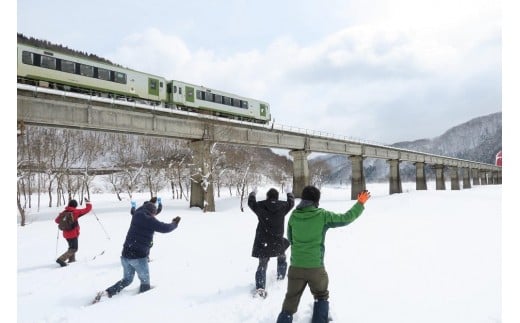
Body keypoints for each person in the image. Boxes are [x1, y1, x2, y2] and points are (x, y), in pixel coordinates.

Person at [276, 186, 371, 323]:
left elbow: (290, 239)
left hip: (296, 267)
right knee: (321, 296)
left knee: (290, 300)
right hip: (316, 268)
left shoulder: (294, 216)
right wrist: (360, 203)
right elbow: (345, 218)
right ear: (316, 200)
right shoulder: (322, 215)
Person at [93, 201, 180, 303]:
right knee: (145, 281)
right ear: (151, 213)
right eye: (154, 214)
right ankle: (143, 302)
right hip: (138, 257)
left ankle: (107, 293)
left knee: (127, 280)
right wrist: (174, 223)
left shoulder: (136, 215)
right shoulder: (148, 220)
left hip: (125, 255)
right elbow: (164, 228)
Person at [248, 187, 295, 298]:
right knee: (282, 256)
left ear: (267, 196)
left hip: (263, 241)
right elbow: (291, 203)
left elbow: (251, 203)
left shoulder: (260, 206)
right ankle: (281, 277)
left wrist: (253, 193)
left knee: (262, 264)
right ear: (277, 197)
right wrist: (289, 192)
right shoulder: (282, 206)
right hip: (277, 241)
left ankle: (260, 287)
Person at [54, 198, 93, 267]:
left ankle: (72, 260)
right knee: (74, 248)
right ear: (75, 205)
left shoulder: (64, 212)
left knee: (71, 247)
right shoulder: (76, 212)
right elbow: (87, 209)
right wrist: (88, 203)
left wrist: (63, 218)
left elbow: (57, 221)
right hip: (73, 233)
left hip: (66, 234)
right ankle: (61, 259)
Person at [130, 197, 163, 262]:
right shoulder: (151, 212)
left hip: (137, 232)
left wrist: (133, 206)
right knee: (148, 245)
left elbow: (132, 212)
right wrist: (160, 203)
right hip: (147, 233)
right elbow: (159, 209)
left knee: (139, 244)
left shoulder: (139, 212)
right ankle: (145, 258)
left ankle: (136, 256)